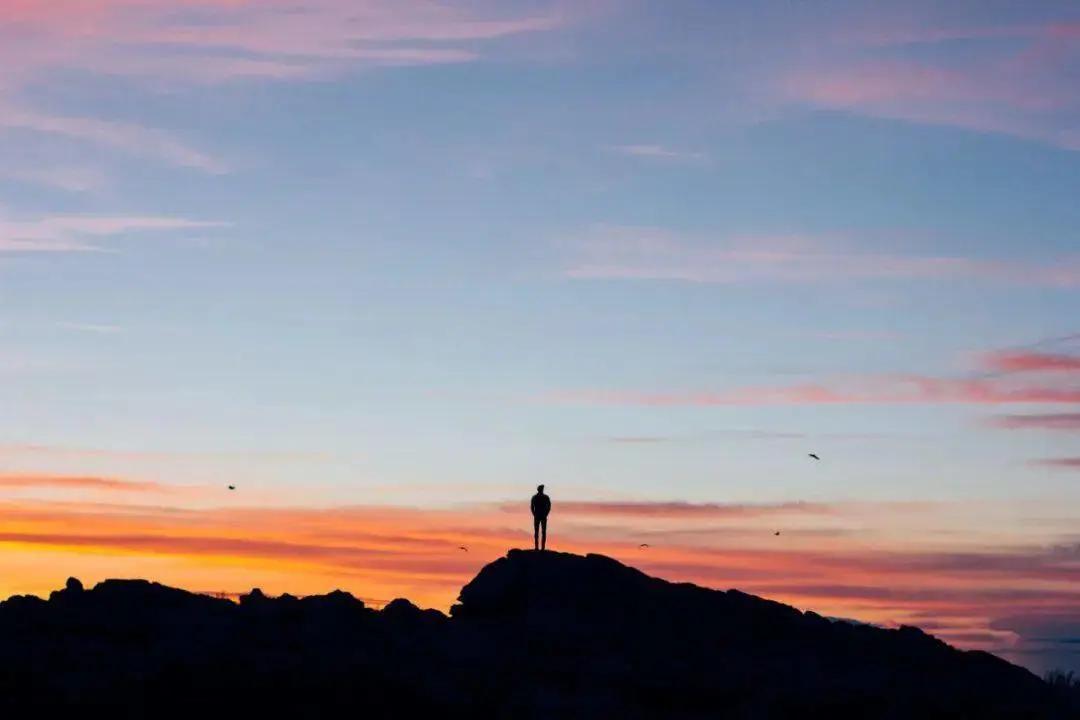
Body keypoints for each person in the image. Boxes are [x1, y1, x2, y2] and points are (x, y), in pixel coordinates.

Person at [530, 484, 551, 551]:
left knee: (543, 532)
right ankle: (537, 547)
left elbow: (549, 506)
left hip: (543, 515)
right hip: (538, 516)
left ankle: (542, 548)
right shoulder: (535, 497)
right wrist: (534, 514)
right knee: (537, 532)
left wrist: (546, 513)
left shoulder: (546, 497)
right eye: (541, 489)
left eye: (542, 489)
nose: (542, 490)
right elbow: (532, 507)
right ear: (539, 489)